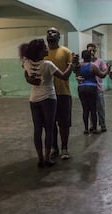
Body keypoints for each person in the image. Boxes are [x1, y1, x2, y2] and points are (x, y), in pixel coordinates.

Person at [20, 39, 73, 168]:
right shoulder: (48, 64)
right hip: (48, 98)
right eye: (44, 48)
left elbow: (26, 74)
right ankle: (47, 157)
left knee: (37, 129)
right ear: (39, 52)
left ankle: (40, 158)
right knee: (49, 129)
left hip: (34, 99)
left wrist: (30, 79)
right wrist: (71, 64)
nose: (47, 49)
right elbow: (64, 76)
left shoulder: (26, 62)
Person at [44, 27, 75, 160]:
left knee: (64, 123)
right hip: (47, 94)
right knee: (50, 123)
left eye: (54, 32)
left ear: (59, 36)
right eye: (48, 32)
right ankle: (54, 148)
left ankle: (64, 148)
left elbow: (69, 71)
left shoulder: (66, 52)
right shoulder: (43, 52)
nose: (50, 33)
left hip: (63, 93)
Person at [76, 50, 111, 134]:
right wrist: (108, 68)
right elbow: (102, 75)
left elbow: (76, 75)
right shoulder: (93, 66)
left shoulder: (79, 66)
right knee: (93, 109)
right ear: (90, 57)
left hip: (81, 88)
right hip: (91, 88)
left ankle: (86, 129)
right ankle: (94, 128)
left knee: (85, 110)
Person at [86, 43, 108, 132]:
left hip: (98, 89)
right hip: (89, 89)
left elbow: (104, 72)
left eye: (93, 50)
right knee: (91, 109)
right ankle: (92, 125)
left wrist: (108, 68)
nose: (91, 52)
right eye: (90, 50)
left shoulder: (100, 61)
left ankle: (102, 124)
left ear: (95, 51)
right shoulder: (84, 62)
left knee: (101, 108)